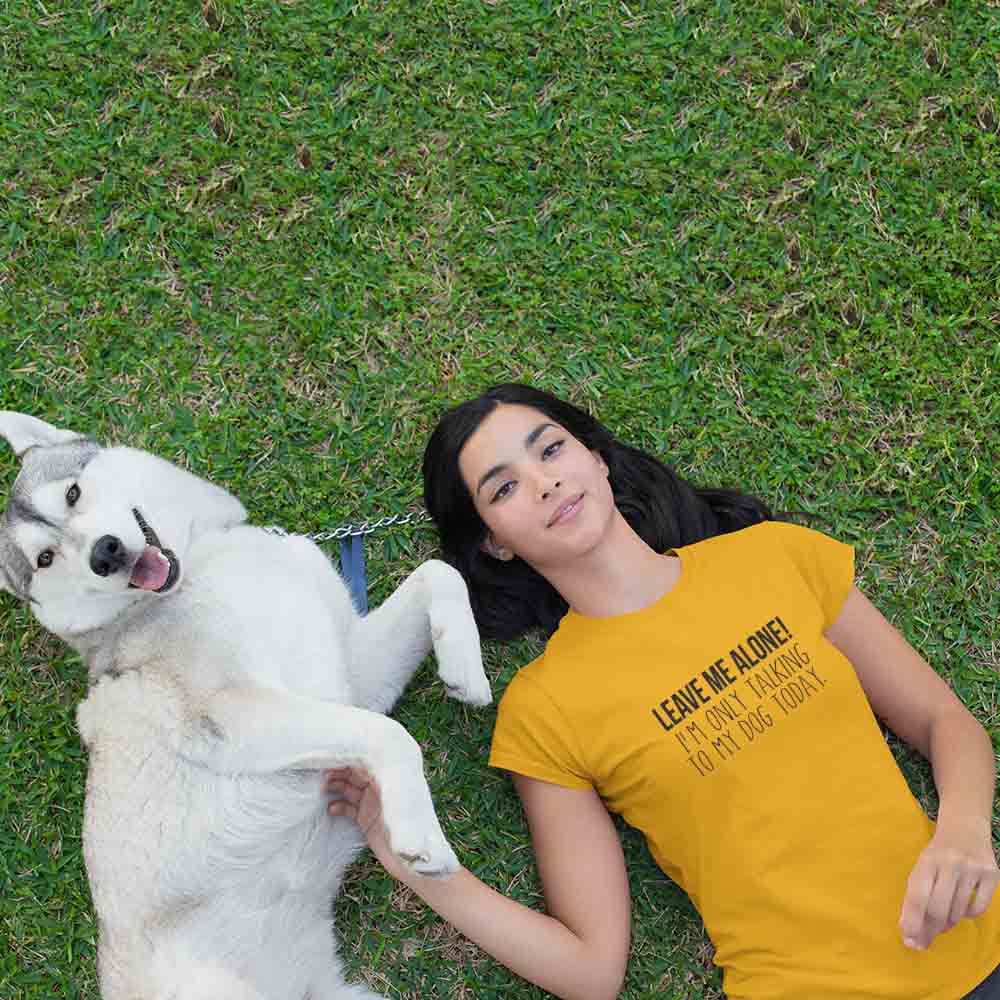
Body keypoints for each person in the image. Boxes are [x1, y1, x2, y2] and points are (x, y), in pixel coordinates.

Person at [326, 383, 1000, 1000]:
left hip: (982, 939)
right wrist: (411, 856)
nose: (543, 482)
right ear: (495, 544)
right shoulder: (544, 710)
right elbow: (592, 971)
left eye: (551, 450)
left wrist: (964, 833)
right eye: (503, 489)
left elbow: (942, 720)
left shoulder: (774, 557)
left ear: (597, 459)